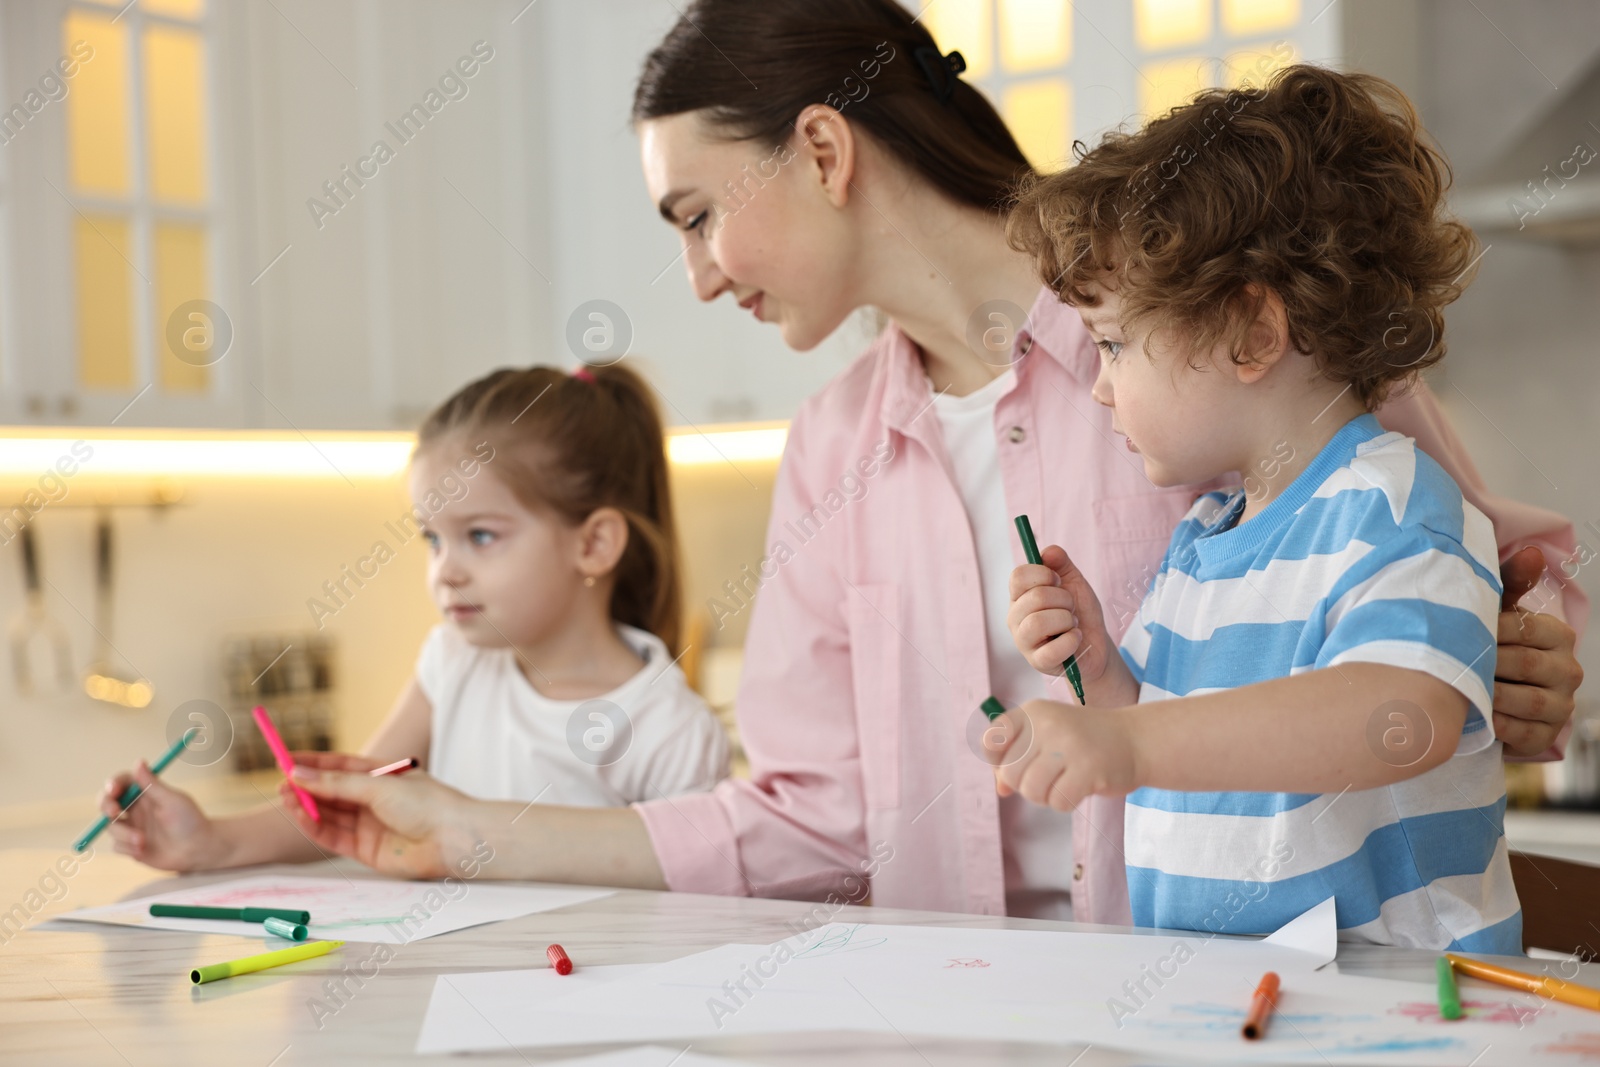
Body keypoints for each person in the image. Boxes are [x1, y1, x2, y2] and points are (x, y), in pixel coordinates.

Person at [280, 0, 1585, 924]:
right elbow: (813, 822)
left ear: (827, 150)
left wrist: (1512, 648)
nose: (693, 277)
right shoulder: (833, 450)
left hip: (1246, 997)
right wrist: (468, 833)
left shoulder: (1215, 326)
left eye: (697, 217)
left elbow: (1493, 591)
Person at [1000, 65, 1519, 951]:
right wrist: (1103, 671)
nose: (1098, 390)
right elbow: (1170, 729)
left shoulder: (1394, 508)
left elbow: (1399, 715)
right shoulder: (1204, 542)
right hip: (1235, 1007)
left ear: (1251, 332)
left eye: (1116, 345)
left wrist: (1131, 748)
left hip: (1396, 1023)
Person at [101, 363, 727, 871]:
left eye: (480, 536)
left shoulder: (671, 731)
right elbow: (341, 813)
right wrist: (210, 840)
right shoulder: (453, 664)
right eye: (432, 539)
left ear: (592, 545)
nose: (445, 570)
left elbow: (692, 912)